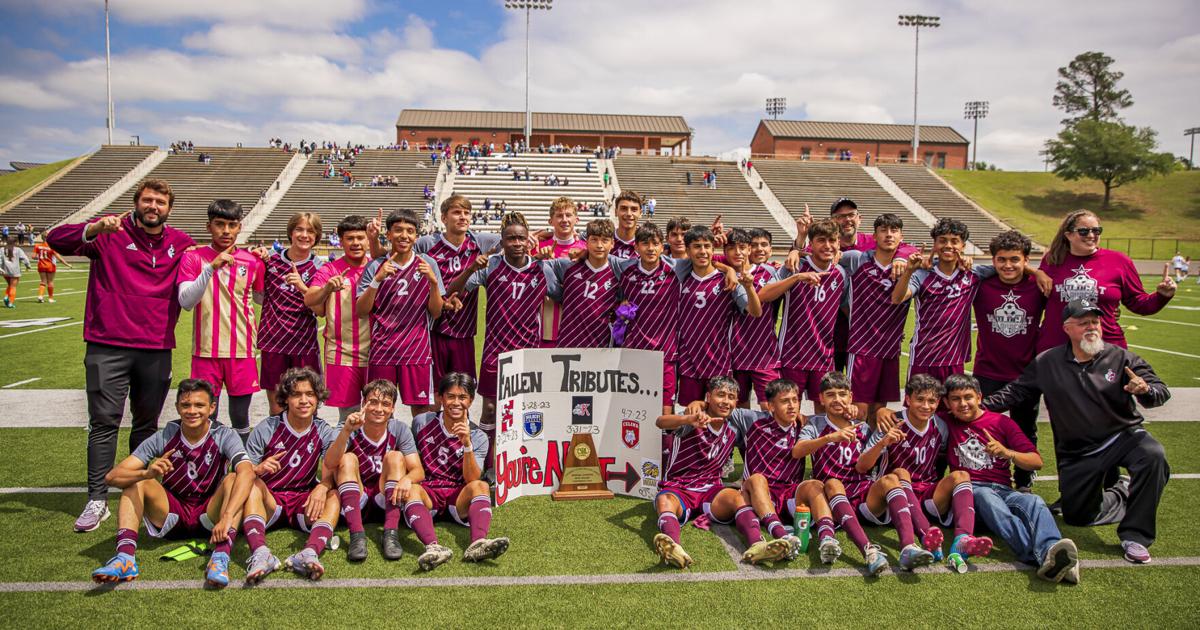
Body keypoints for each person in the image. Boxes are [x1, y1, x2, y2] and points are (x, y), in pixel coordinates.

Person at [48, 179, 196, 532]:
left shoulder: (180, 242)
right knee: (104, 423)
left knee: (146, 426)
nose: (153, 206)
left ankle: (139, 492)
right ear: (136, 202)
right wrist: (94, 227)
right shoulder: (109, 232)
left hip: (156, 347)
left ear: (169, 208)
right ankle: (97, 499)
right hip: (107, 344)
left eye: (160, 201)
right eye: (148, 200)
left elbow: (207, 260)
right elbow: (55, 238)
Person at [984, 298, 1171, 564]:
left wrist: (1146, 390)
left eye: (1095, 322)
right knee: (1078, 517)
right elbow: (1015, 392)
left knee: (1153, 454)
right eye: (1083, 323)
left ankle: (1135, 536)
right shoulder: (1047, 362)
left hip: (1123, 436)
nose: (1091, 327)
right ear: (1067, 328)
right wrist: (975, 406)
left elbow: (1160, 391)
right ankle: (1122, 493)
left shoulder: (1122, 358)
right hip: (1078, 450)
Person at [90, 379, 256, 588]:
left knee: (234, 478)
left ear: (212, 408)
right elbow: (113, 477)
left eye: (199, 405)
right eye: (186, 405)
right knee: (137, 482)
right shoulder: (166, 435)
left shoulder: (224, 434)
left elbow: (247, 473)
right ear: (177, 407)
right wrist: (146, 472)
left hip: (210, 515)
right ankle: (125, 558)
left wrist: (228, 516)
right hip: (172, 514)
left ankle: (220, 558)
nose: (192, 411)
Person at [443, 213, 560, 470]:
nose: (517, 242)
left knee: (527, 408)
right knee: (491, 409)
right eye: (511, 238)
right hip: (495, 351)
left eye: (521, 237)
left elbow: (563, 294)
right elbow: (453, 289)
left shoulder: (543, 268)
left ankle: (524, 461)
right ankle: (487, 463)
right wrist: (472, 268)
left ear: (528, 239)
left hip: (529, 352)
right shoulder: (492, 266)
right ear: (502, 241)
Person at [945, 374, 1081, 583]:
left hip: (1004, 490)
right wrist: (882, 410)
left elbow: (1036, 461)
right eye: (955, 399)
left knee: (1033, 500)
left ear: (979, 397)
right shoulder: (947, 421)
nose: (963, 404)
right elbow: (915, 412)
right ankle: (1040, 557)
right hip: (970, 494)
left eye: (968, 397)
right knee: (984, 495)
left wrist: (1007, 453)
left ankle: (1052, 551)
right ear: (947, 403)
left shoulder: (1001, 422)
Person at [653, 377, 789, 569]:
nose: (726, 401)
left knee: (737, 497)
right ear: (709, 396)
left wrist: (800, 416)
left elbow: (774, 417)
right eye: (721, 395)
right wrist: (688, 418)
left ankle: (758, 545)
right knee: (664, 501)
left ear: (736, 402)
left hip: (711, 489)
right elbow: (661, 422)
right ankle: (674, 547)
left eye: (731, 397)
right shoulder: (694, 418)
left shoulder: (736, 425)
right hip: (680, 488)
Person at [863, 375, 993, 573]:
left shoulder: (940, 426)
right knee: (901, 472)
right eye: (920, 399)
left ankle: (962, 539)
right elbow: (862, 466)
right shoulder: (891, 422)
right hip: (893, 498)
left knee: (961, 476)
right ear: (907, 400)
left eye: (932, 401)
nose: (926, 406)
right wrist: (883, 441)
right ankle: (925, 534)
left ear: (939, 402)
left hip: (924, 496)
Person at [177, 200, 266, 441]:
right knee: (206, 416)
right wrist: (209, 269)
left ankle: (242, 469)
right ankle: (210, 469)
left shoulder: (252, 261)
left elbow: (261, 298)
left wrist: (270, 261)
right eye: (219, 225)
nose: (226, 231)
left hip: (242, 350)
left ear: (240, 227)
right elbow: (185, 302)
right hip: (206, 351)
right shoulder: (194, 258)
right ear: (209, 227)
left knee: (240, 417)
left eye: (232, 225)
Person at [241, 368, 340, 583]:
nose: (304, 400)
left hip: (302, 500)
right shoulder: (266, 428)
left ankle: (309, 552)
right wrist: (258, 469)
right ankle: (260, 554)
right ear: (285, 398)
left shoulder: (323, 430)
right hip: (269, 500)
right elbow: (243, 473)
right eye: (296, 394)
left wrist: (322, 487)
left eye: (310, 394)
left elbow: (332, 471)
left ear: (317, 398)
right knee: (252, 485)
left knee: (334, 496)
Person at [404, 373, 510, 570]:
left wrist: (467, 445)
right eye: (451, 396)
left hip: (457, 496)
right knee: (411, 489)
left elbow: (472, 479)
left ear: (470, 400)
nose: (456, 403)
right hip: (429, 493)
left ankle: (478, 544)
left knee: (481, 485)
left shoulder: (478, 436)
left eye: (462, 397)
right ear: (441, 398)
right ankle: (433, 548)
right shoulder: (421, 422)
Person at [793, 372, 890, 575]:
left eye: (842, 394)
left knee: (893, 480)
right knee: (833, 482)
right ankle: (868, 550)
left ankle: (915, 543)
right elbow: (798, 451)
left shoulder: (862, 426)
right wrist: (829, 438)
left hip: (861, 493)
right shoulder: (816, 424)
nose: (837, 399)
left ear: (850, 397)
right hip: (829, 496)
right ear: (820, 399)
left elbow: (865, 467)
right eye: (830, 394)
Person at [1036, 210, 1174, 352]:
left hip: (1105, 348)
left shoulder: (1119, 261)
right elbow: (1025, 289)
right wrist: (1035, 272)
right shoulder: (1051, 261)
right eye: (1083, 231)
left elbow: (1139, 303)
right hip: (1056, 348)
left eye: (1096, 230)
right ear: (1068, 235)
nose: (1091, 235)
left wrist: (1163, 296)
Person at [972, 231, 1045, 490]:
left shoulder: (1038, 287)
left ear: (1026, 260)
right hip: (988, 370)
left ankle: (1024, 480)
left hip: (1025, 373)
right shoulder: (982, 284)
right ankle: (986, 475)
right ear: (993, 261)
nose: (1008, 265)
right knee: (983, 425)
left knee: (1025, 428)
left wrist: (1037, 274)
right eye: (1001, 259)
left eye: (1015, 259)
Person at [891, 218, 1004, 383]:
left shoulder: (973, 274)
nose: (948, 246)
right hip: (924, 356)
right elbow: (897, 298)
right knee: (919, 407)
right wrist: (908, 271)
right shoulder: (923, 274)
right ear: (935, 245)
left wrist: (1037, 273)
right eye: (942, 241)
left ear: (963, 246)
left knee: (952, 408)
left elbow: (1009, 268)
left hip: (955, 358)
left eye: (954, 241)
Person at [356, 209, 444, 416]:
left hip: (417, 350)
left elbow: (437, 311)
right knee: (379, 407)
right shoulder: (376, 265)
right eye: (398, 230)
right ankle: (382, 448)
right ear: (388, 235)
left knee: (422, 410)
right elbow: (361, 310)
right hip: (383, 350)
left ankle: (419, 449)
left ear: (416, 236)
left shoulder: (427, 264)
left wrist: (432, 282)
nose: (404, 236)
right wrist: (377, 280)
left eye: (410, 231)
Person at [322, 380, 421, 562]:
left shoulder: (399, 429)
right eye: (373, 402)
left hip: (385, 498)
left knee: (395, 457)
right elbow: (329, 463)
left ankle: (391, 534)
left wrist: (407, 478)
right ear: (363, 404)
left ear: (392, 409)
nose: (378, 408)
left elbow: (417, 470)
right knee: (347, 458)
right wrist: (345, 431)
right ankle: (357, 535)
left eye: (385, 404)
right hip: (355, 499)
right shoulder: (349, 426)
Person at [759, 219, 847, 412]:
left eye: (832, 240)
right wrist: (796, 277)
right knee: (788, 411)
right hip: (792, 355)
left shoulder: (841, 273)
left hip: (823, 356)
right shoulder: (794, 267)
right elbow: (764, 295)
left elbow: (847, 310)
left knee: (825, 412)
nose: (827, 246)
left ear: (839, 243)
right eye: (821, 240)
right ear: (811, 244)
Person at [415, 196, 501, 384]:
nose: (463, 217)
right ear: (444, 218)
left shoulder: (480, 242)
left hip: (465, 331)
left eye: (466, 213)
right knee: (434, 392)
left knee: (463, 389)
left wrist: (543, 236)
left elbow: (515, 237)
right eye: (457, 212)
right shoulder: (426, 244)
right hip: (432, 329)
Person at [674, 226, 761, 406]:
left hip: (719, 362)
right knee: (690, 415)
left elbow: (755, 312)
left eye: (707, 246)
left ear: (714, 249)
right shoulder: (680, 276)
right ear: (688, 250)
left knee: (721, 414)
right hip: (689, 363)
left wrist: (749, 287)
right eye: (697, 246)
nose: (703, 251)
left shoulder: (728, 280)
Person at [837, 214, 910, 425]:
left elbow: (931, 257)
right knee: (857, 412)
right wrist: (797, 249)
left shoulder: (908, 268)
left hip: (889, 350)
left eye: (894, 230)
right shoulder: (857, 259)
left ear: (901, 236)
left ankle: (873, 457)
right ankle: (851, 456)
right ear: (874, 235)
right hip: (862, 349)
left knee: (879, 413)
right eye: (884, 230)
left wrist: (904, 255)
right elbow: (818, 253)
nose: (889, 235)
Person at [305, 215, 378, 423]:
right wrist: (327, 287)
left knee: (377, 412)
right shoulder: (329, 269)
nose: (355, 243)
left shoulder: (378, 268)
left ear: (367, 239)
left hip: (376, 353)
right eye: (349, 238)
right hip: (341, 353)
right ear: (340, 240)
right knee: (348, 415)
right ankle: (345, 455)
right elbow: (309, 299)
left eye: (360, 237)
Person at [727, 379, 807, 560]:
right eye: (785, 401)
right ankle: (781, 534)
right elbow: (725, 407)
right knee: (756, 478)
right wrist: (699, 403)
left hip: (789, 496)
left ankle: (828, 537)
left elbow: (832, 417)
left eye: (795, 400)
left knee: (813, 485)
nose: (792, 406)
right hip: (757, 496)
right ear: (770, 406)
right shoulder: (753, 421)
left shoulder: (805, 426)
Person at [256, 212, 325, 416]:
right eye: (299, 230)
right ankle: (278, 444)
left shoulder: (320, 267)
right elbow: (256, 294)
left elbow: (320, 311)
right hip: (273, 341)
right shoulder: (270, 262)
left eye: (310, 231)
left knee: (307, 405)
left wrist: (303, 287)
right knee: (277, 406)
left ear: (317, 236)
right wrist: (256, 253)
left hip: (304, 343)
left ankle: (307, 446)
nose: (304, 235)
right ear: (291, 233)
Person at [615, 222, 682, 416]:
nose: (650, 248)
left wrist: (728, 270)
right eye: (645, 243)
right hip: (634, 351)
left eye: (655, 243)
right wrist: (621, 309)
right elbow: (616, 305)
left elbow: (708, 260)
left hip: (666, 353)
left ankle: (665, 447)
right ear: (636, 247)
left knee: (664, 412)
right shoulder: (626, 273)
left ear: (663, 247)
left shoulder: (676, 272)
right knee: (632, 409)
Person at [545, 219, 625, 348]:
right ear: (586, 242)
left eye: (605, 240)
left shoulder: (617, 275)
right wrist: (559, 294)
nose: (599, 245)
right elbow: (538, 267)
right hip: (567, 344)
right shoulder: (570, 267)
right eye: (594, 240)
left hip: (601, 347)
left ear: (612, 244)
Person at [731, 228, 780, 409]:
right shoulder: (727, 273)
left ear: (771, 249)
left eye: (764, 244)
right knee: (738, 408)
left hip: (765, 353)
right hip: (736, 352)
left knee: (770, 407)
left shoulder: (773, 271)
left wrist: (797, 248)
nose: (759, 249)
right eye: (754, 245)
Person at [535, 197, 587, 347]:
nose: (564, 219)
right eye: (559, 215)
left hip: (580, 329)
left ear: (576, 219)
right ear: (550, 221)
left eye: (568, 215)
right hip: (545, 330)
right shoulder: (538, 248)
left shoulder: (587, 250)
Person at [32, 234, 72, 303]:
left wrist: (41, 258)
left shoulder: (37, 246)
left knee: (43, 281)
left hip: (41, 265)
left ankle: (40, 296)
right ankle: (50, 298)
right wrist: (67, 264)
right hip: (50, 266)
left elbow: (33, 257)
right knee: (50, 282)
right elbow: (59, 258)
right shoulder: (52, 247)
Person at [610, 191, 642, 259]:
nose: (629, 214)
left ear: (640, 213)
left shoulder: (646, 243)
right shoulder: (605, 240)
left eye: (634, 209)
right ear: (616, 212)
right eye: (624, 208)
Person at [1, 237, 31, 308]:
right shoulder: (18, 250)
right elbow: (24, 258)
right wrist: (28, 265)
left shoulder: (2, 249)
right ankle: (10, 301)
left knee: (10, 285)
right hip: (15, 270)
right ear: (15, 242)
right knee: (13, 286)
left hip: (5, 270)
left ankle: (6, 297)